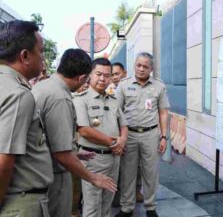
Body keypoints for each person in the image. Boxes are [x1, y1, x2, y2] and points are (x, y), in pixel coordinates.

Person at [32, 49, 117, 217]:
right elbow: (62, 153)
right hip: (52, 175)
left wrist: (76, 154)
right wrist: (93, 178)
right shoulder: (60, 98)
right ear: (82, 78)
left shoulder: (45, 86)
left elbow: (49, 139)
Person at [0, 20, 53, 216]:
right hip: (18, 203)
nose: (43, 58)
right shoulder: (18, 94)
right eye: (41, 51)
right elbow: (4, 159)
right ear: (25, 56)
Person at [115, 52, 170, 217]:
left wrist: (163, 136)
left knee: (151, 172)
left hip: (150, 134)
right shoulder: (123, 85)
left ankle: (151, 207)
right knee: (127, 172)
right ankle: (126, 208)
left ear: (151, 69)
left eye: (145, 66)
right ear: (134, 65)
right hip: (129, 135)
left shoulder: (159, 86)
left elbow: (163, 112)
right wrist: (119, 137)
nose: (141, 69)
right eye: (138, 65)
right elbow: (116, 112)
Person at [74, 58, 128, 217]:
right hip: (93, 159)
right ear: (90, 74)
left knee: (107, 203)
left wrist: (123, 140)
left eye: (107, 75)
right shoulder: (80, 99)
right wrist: (113, 142)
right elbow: (84, 130)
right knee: (91, 206)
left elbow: (123, 124)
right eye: (98, 74)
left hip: (114, 158)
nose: (103, 79)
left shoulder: (113, 100)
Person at [109, 62, 144, 208]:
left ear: (124, 73)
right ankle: (117, 195)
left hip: (131, 132)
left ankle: (136, 191)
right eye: (112, 75)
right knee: (117, 166)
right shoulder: (107, 90)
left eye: (117, 74)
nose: (114, 77)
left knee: (136, 165)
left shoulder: (133, 87)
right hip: (115, 133)